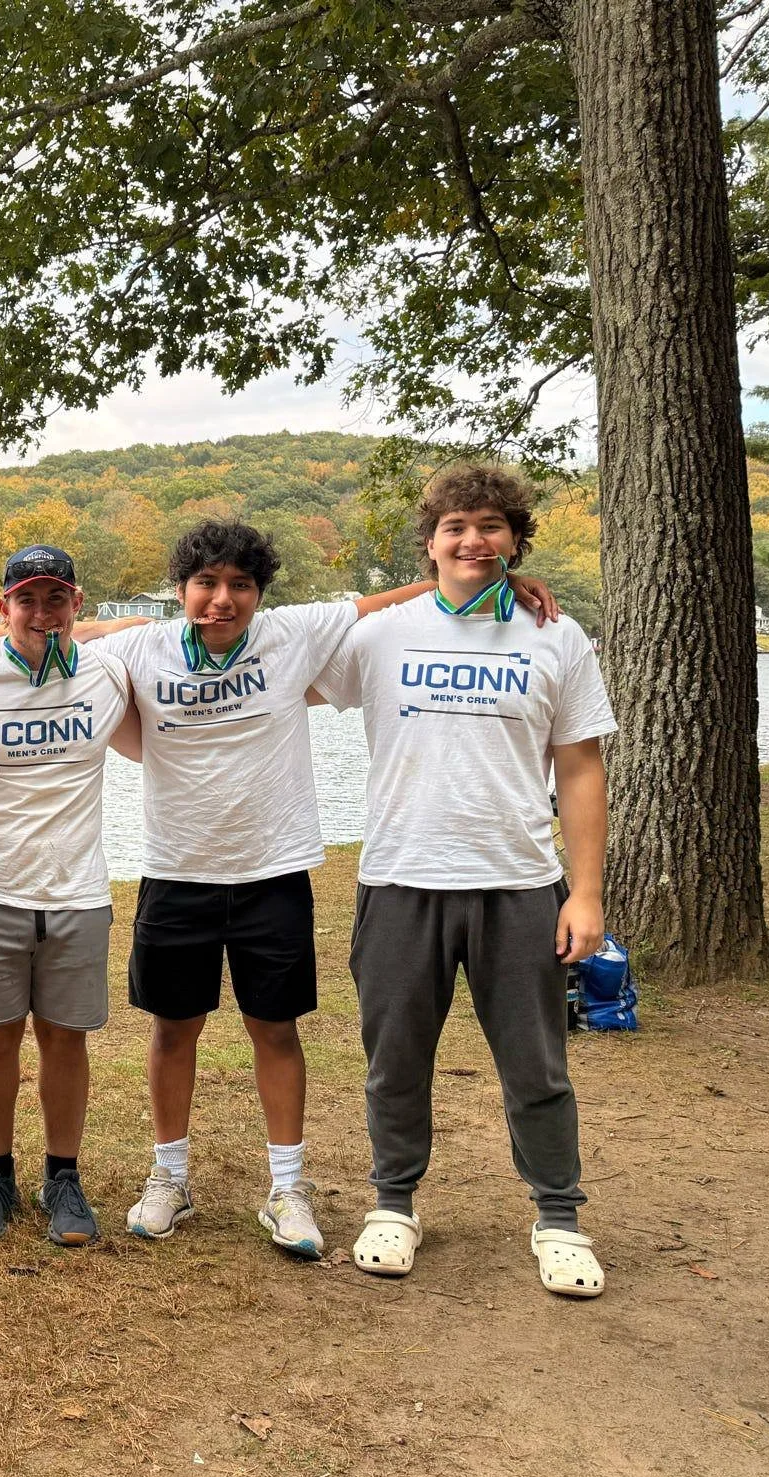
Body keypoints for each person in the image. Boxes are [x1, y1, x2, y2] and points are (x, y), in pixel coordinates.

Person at [91, 518, 557, 1258]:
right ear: (180, 589)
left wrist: (491, 578)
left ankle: (287, 1188)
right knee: (173, 1029)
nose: (222, 600)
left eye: (240, 585)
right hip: (177, 871)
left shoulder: (291, 633)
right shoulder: (139, 647)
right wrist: (20, 631)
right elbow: (55, 632)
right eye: (206, 583)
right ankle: (169, 1176)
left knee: (275, 1029)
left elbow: (385, 602)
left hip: (274, 871)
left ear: (260, 593)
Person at [313, 464, 612, 1297]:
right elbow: (270, 666)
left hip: (518, 883)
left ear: (516, 540)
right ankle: (393, 1204)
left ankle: (560, 1219)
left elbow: (581, 768)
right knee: (395, 1060)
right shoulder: (382, 635)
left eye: (490, 527)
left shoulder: (557, 637)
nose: (473, 541)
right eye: (455, 528)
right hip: (401, 880)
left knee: (537, 1066)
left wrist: (585, 892)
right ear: (431, 542)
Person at [0, 547, 139, 1247]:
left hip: (76, 890)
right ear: (4, 607)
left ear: (78, 603)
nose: (42, 613)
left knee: (64, 1038)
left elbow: (149, 631)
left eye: (57, 599)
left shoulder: (108, 673)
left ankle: (63, 1176)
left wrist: (92, 632)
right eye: (27, 599)